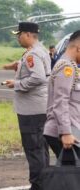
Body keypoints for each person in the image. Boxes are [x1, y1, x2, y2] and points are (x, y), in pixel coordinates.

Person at [3, 22, 51, 190]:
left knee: (34, 149)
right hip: (38, 108)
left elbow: (38, 77)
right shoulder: (40, 51)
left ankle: (38, 185)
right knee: (40, 148)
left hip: (32, 110)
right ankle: (44, 183)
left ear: (29, 35)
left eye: (20, 34)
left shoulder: (33, 54)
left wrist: (16, 83)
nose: (18, 37)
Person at [44, 30, 80, 164]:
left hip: (71, 129)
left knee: (71, 178)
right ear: (78, 48)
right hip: (66, 132)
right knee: (71, 178)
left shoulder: (71, 66)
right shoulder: (66, 67)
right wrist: (65, 133)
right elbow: (61, 101)